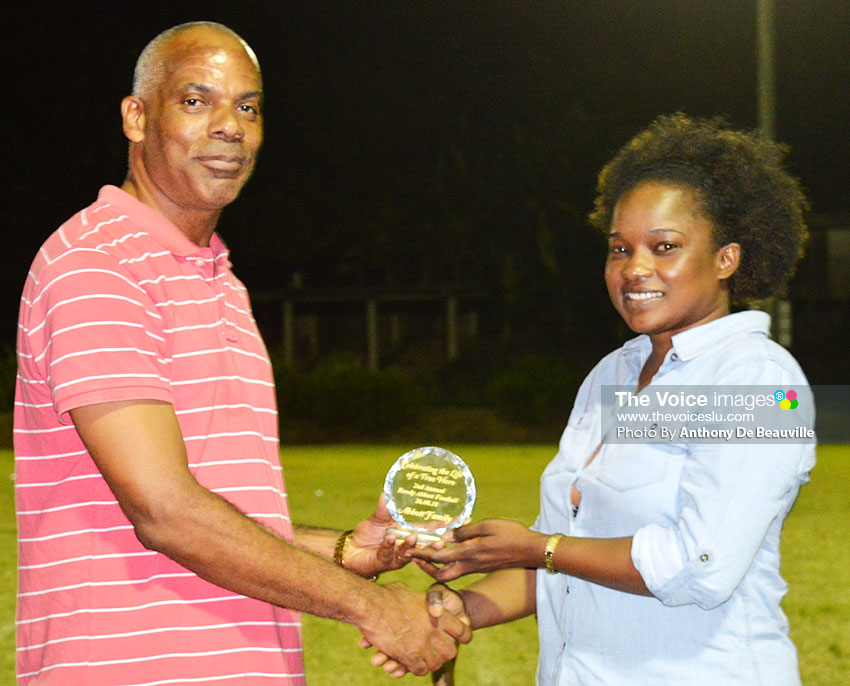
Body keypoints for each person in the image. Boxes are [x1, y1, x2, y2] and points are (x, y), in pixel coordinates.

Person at [14, 21, 467, 685]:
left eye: (247, 107)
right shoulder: (96, 266)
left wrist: (340, 550)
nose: (230, 126)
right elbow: (166, 511)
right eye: (196, 101)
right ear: (136, 117)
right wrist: (369, 607)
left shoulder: (221, 280)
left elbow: (217, 505)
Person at [407, 113, 815, 685]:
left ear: (728, 258)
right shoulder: (612, 377)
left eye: (664, 246)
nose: (634, 268)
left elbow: (699, 565)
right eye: (619, 249)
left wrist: (538, 547)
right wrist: (465, 611)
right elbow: (567, 552)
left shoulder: (755, 380)